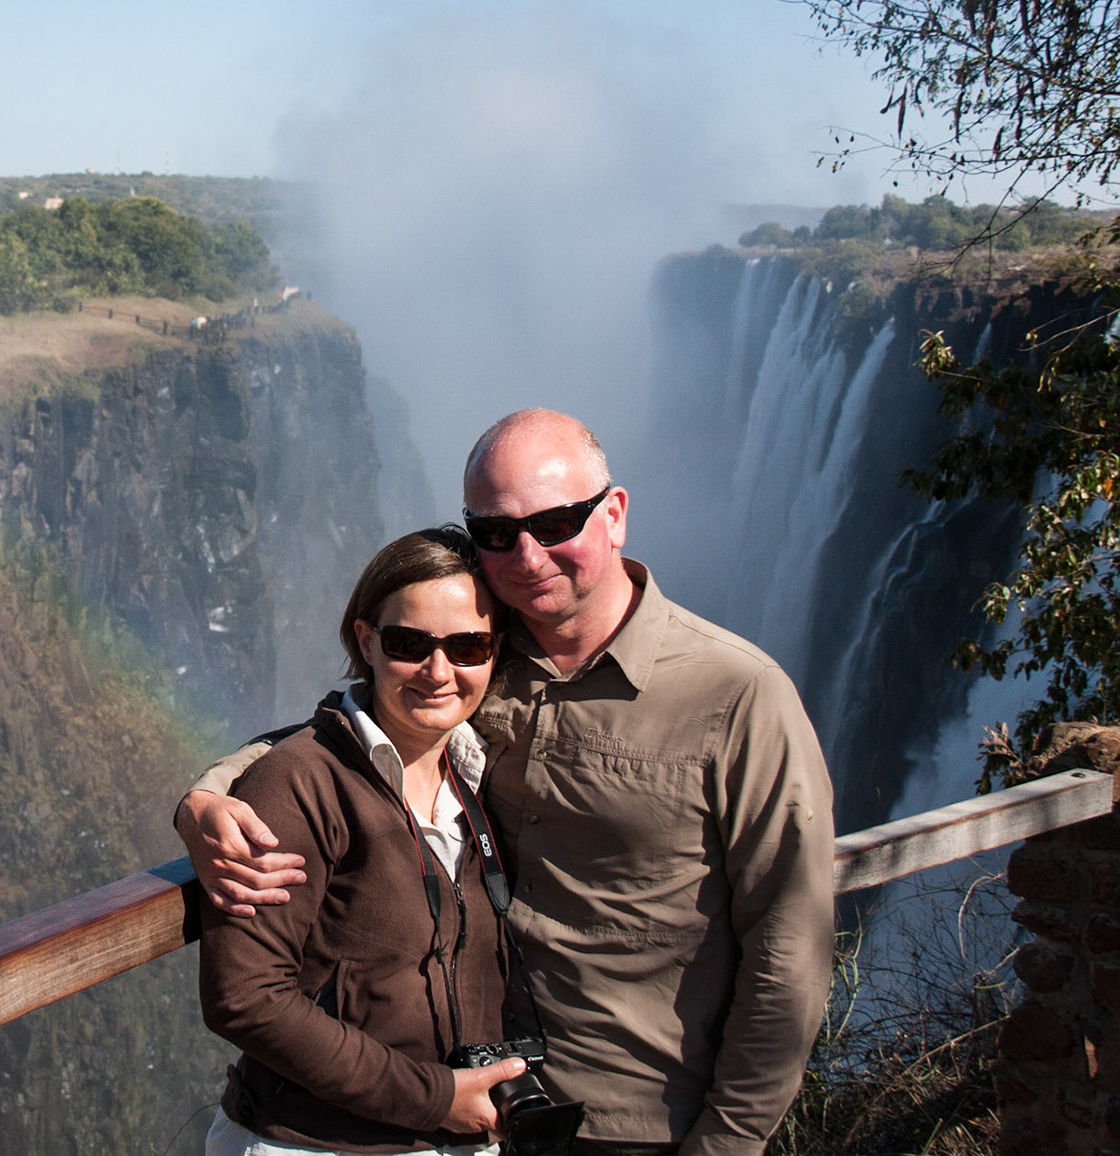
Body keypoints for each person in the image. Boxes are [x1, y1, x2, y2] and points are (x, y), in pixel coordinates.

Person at [181, 409, 835, 1156]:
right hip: (488, 1112)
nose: (527, 555)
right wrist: (208, 795)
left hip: (640, 1123)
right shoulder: (476, 658)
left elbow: (791, 946)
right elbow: (345, 732)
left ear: (614, 515)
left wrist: (728, 1143)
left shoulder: (738, 696)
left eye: (556, 523)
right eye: (495, 532)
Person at [199, 527, 529, 1156]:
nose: (439, 671)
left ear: (495, 651)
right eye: (409, 644)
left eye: (468, 647)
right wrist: (434, 1098)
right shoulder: (298, 782)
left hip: (455, 1138)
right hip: (314, 1144)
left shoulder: (479, 773)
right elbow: (244, 998)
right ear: (366, 641)